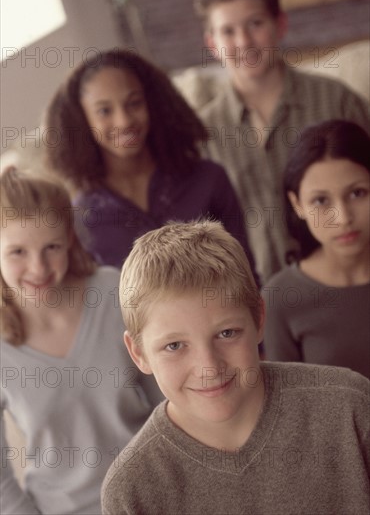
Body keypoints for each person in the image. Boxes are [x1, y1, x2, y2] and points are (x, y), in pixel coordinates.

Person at [101, 220, 369, 515]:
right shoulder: (132, 489)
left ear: (259, 319)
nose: (209, 367)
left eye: (226, 333)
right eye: (174, 346)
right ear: (138, 353)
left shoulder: (350, 408)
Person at [0, 167, 162, 515]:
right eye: (18, 252)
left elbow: (167, 400)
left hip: (153, 493)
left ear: (70, 239)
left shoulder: (111, 291)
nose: (38, 268)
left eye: (51, 247)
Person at [194, 0, 370, 282]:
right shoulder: (202, 134)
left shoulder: (337, 102)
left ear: (280, 24)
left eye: (255, 24)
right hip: (255, 298)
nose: (244, 41)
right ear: (212, 44)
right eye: (228, 31)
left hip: (349, 281)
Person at [44, 49, 257, 281]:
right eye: (104, 111)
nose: (124, 121)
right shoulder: (80, 221)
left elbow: (247, 279)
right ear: (82, 120)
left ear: (152, 103)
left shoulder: (209, 179)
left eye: (134, 103)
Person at [262, 120, 370, 378]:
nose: (342, 217)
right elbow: (290, 408)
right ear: (297, 204)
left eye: (357, 193)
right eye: (321, 200)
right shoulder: (279, 299)